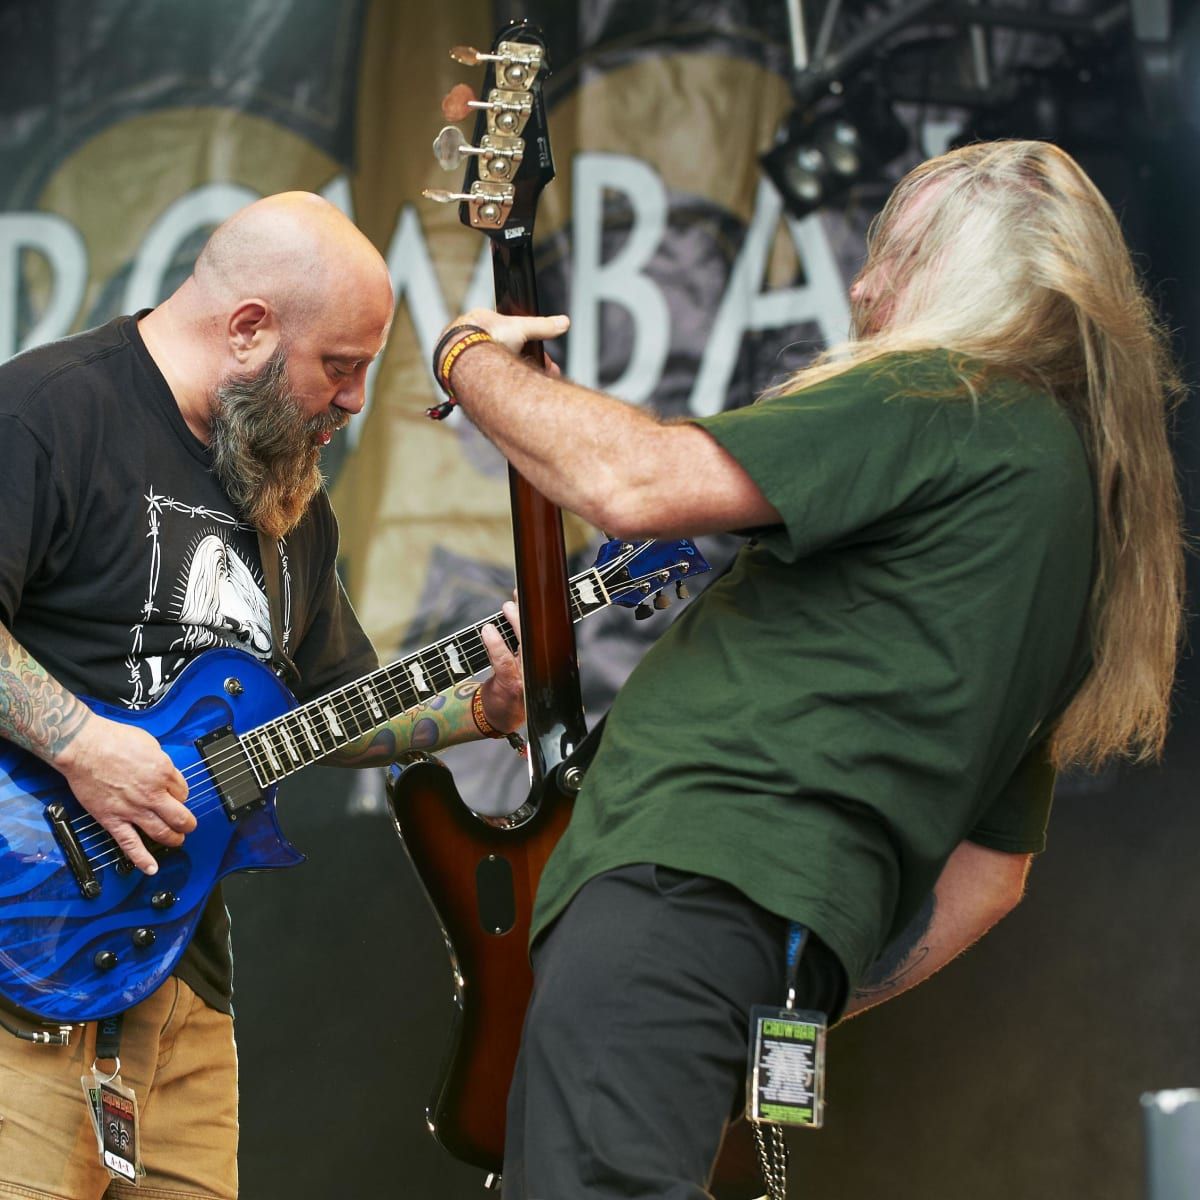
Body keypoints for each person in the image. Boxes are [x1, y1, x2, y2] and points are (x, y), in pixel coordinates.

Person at [431, 140, 1185, 1199]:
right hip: (764, 942)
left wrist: (466, 355)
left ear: (973, 267)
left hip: (678, 890)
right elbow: (991, 879)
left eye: (896, 252)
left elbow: (634, 482)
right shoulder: (1073, 531)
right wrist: (798, 981)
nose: (866, 285)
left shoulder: (946, 396)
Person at [0, 192, 524, 1200]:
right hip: (21, 967)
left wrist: (478, 711)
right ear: (247, 329)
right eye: (340, 365)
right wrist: (83, 747)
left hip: (183, 989)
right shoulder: (46, 414)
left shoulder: (284, 493)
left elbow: (331, 712)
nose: (359, 398)